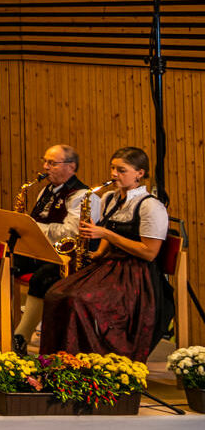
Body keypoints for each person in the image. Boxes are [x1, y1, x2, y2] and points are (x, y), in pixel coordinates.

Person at [39, 146, 174, 362]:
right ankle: (58, 363)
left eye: (121, 170)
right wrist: (96, 253)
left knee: (78, 300)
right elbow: (105, 242)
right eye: (112, 168)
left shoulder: (150, 206)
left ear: (139, 173)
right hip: (109, 266)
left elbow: (149, 253)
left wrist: (106, 234)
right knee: (56, 294)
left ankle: (90, 363)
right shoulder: (109, 198)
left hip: (136, 276)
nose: (113, 174)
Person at [7, 144, 88, 354]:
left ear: (71, 167)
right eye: (45, 161)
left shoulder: (82, 195)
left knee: (42, 278)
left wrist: (33, 228)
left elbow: (71, 233)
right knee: (2, 261)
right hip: (42, 251)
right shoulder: (46, 190)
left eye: (52, 163)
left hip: (68, 258)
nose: (45, 167)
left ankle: (20, 337)